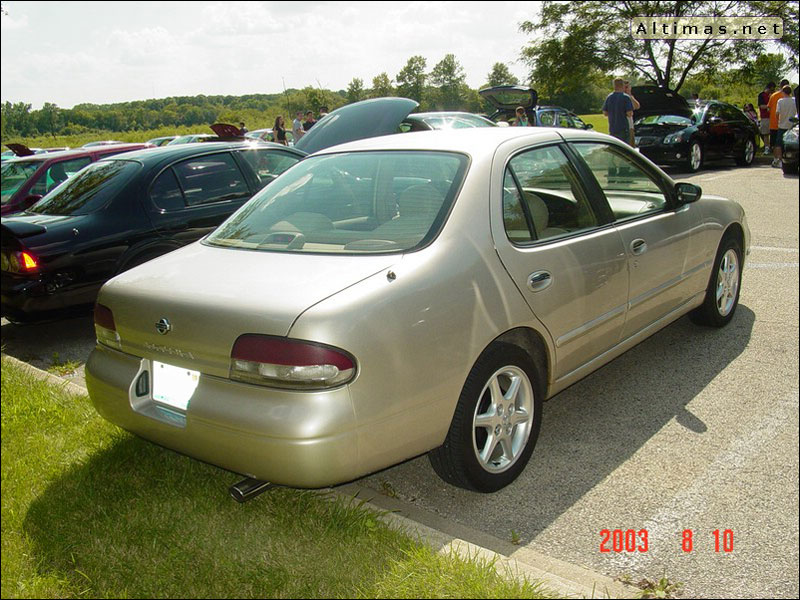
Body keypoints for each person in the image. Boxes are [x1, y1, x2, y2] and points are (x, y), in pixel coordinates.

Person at [602, 78, 634, 144]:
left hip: (612, 128)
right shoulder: (626, 97)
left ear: (614, 86)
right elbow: (629, 113)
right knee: (625, 148)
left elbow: (605, 113)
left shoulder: (609, 97)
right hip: (623, 128)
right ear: (623, 85)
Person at [768, 79, 790, 167]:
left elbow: (769, 108)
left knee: (775, 144)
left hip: (774, 123)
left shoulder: (774, 96)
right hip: (788, 124)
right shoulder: (792, 98)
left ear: (780, 86)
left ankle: (776, 159)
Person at [776, 85, 798, 167]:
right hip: (792, 125)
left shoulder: (780, 101)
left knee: (779, 144)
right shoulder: (794, 100)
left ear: (783, 92)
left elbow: (777, 113)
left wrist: (778, 120)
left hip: (782, 125)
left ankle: (780, 160)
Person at [758, 82, 776, 154]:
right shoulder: (762, 95)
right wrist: (769, 106)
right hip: (765, 117)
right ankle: (767, 147)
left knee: (773, 133)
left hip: (773, 117)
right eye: (771, 90)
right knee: (765, 133)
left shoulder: (774, 95)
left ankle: (772, 147)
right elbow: (761, 106)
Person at [624, 81, 641, 147]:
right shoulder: (621, 97)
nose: (626, 89)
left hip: (630, 125)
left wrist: (630, 96)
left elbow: (637, 106)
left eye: (628, 87)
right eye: (625, 87)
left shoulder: (630, 97)